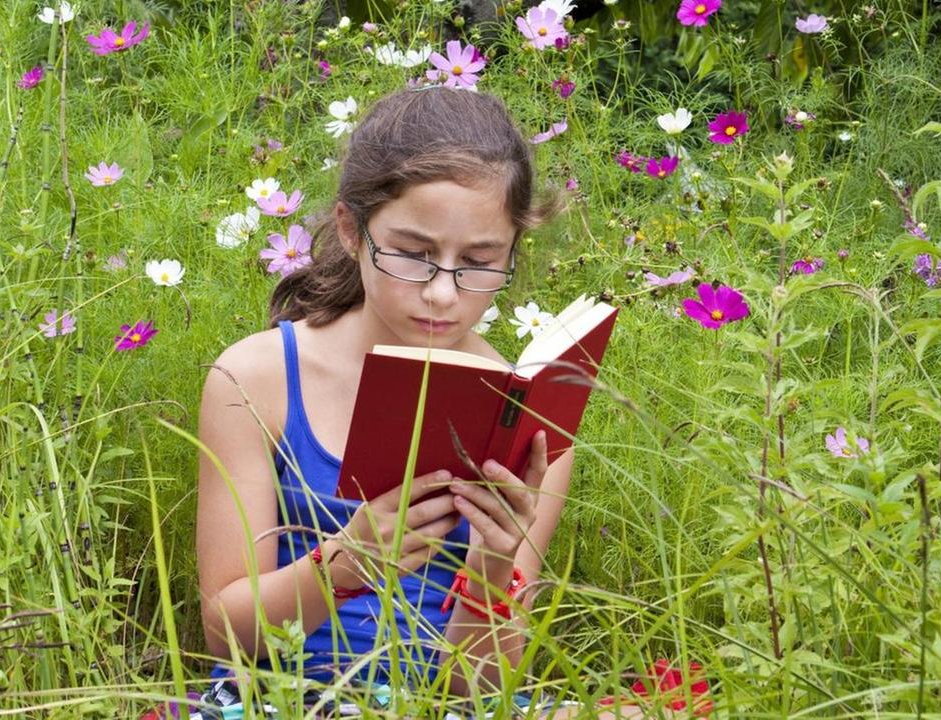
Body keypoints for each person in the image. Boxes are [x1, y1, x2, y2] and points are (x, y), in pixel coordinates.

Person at [194, 87, 681, 719]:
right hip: (284, 697)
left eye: (479, 262)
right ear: (351, 230)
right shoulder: (256, 378)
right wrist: (346, 564)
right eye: (413, 255)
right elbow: (225, 635)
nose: (444, 293)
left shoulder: (524, 410)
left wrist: (494, 559)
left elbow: (479, 685)